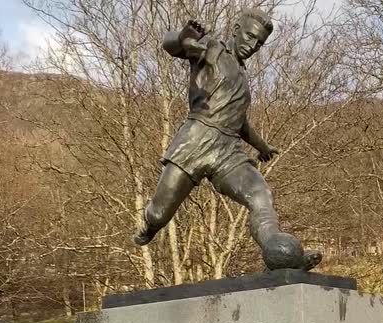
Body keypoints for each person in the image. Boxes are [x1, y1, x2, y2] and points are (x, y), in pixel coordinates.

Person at [133, 9, 322, 271]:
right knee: (159, 214)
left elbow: (239, 121)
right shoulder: (211, 49)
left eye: (259, 43)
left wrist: (262, 146)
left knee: (260, 195)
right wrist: (182, 36)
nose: (253, 46)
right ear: (235, 29)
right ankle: (148, 223)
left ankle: (278, 254)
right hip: (195, 141)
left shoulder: (243, 78)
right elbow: (172, 45)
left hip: (228, 151)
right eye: (250, 37)